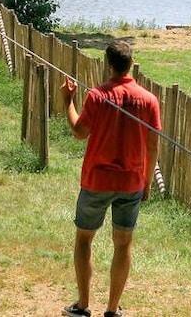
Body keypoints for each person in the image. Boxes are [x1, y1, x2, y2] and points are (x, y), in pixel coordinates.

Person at [61, 40, 160, 317]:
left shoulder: (96, 96)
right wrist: (147, 182)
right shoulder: (149, 100)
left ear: (109, 64)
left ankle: (82, 306)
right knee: (123, 243)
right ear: (131, 63)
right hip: (130, 182)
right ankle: (113, 309)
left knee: (84, 239)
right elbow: (153, 146)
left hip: (97, 180)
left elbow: (79, 132)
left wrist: (67, 101)